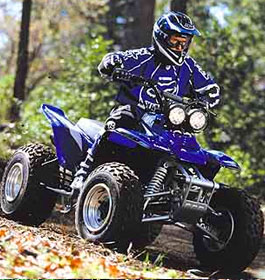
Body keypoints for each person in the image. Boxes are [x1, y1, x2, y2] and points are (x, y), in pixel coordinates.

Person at [71, 11, 220, 189]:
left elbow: (210, 87)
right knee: (115, 125)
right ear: (162, 38)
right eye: (175, 41)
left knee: (197, 152)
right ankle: (83, 173)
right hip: (135, 111)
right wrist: (110, 63)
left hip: (168, 120)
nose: (180, 47)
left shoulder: (189, 66)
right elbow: (116, 59)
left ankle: (184, 190)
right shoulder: (144, 57)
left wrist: (206, 99)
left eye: (184, 42)